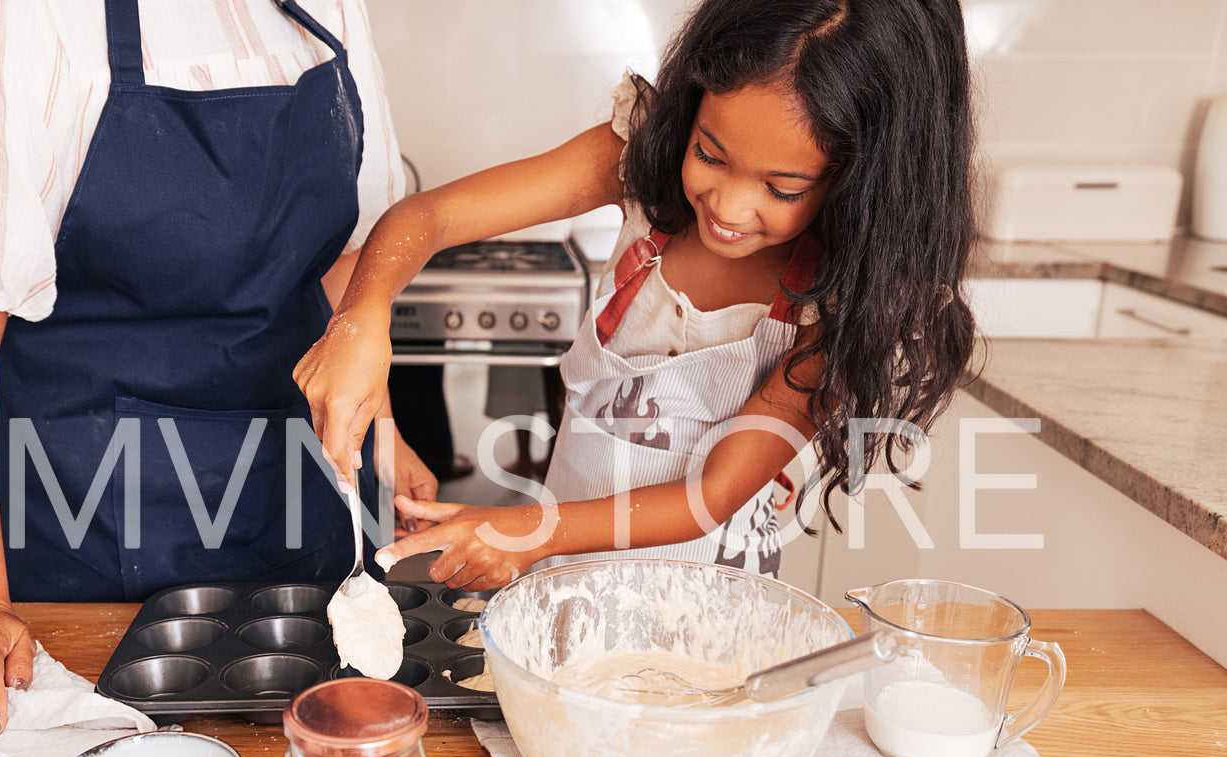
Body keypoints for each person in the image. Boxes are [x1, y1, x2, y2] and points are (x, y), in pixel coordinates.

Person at [0, 0, 434, 748]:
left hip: (307, 481)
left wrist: (377, 425)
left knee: (325, 753)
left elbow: (346, 258)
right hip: (100, 514)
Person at [295, 0, 977, 592]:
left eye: (783, 188)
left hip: (705, 606)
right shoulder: (640, 154)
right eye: (709, 154)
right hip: (558, 580)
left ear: (859, 182)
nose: (730, 207)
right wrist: (365, 335)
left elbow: (710, 495)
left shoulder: (839, 301)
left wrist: (527, 530)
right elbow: (428, 219)